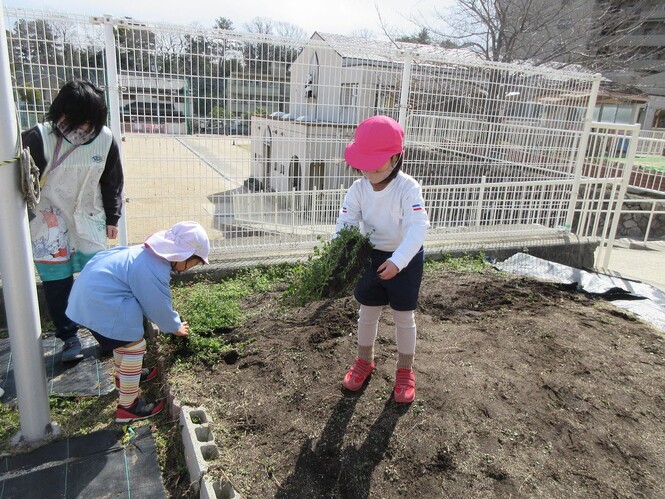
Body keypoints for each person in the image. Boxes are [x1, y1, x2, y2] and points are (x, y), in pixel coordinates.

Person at [66, 221, 210, 422]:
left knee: (124, 338)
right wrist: (175, 326)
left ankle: (124, 377)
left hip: (91, 299)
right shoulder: (153, 269)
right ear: (182, 255)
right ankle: (129, 406)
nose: (189, 269)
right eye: (192, 264)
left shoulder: (147, 255)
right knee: (134, 345)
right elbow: (157, 306)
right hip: (98, 304)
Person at [22, 80, 124, 362]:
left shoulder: (105, 139)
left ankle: (106, 337)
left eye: (89, 123)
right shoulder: (39, 137)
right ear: (60, 114)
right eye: (75, 120)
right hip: (48, 221)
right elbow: (22, 184)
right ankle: (69, 337)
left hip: (88, 217)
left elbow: (111, 181)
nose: (81, 129)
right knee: (57, 282)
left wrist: (113, 216)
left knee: (97, 280)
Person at [336, 115, 430, 404]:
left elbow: (418, 227)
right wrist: (337, 256)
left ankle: (405, 370)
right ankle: (364, 361)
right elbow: (345, 225)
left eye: (377, 160)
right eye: (364, 160)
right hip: (371, 256)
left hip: (406, 258)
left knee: (404, 317)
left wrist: (399, 260)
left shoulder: (408, 188)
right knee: (367, 312)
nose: (369, 168)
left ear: (397, 157)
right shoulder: (357, 189)